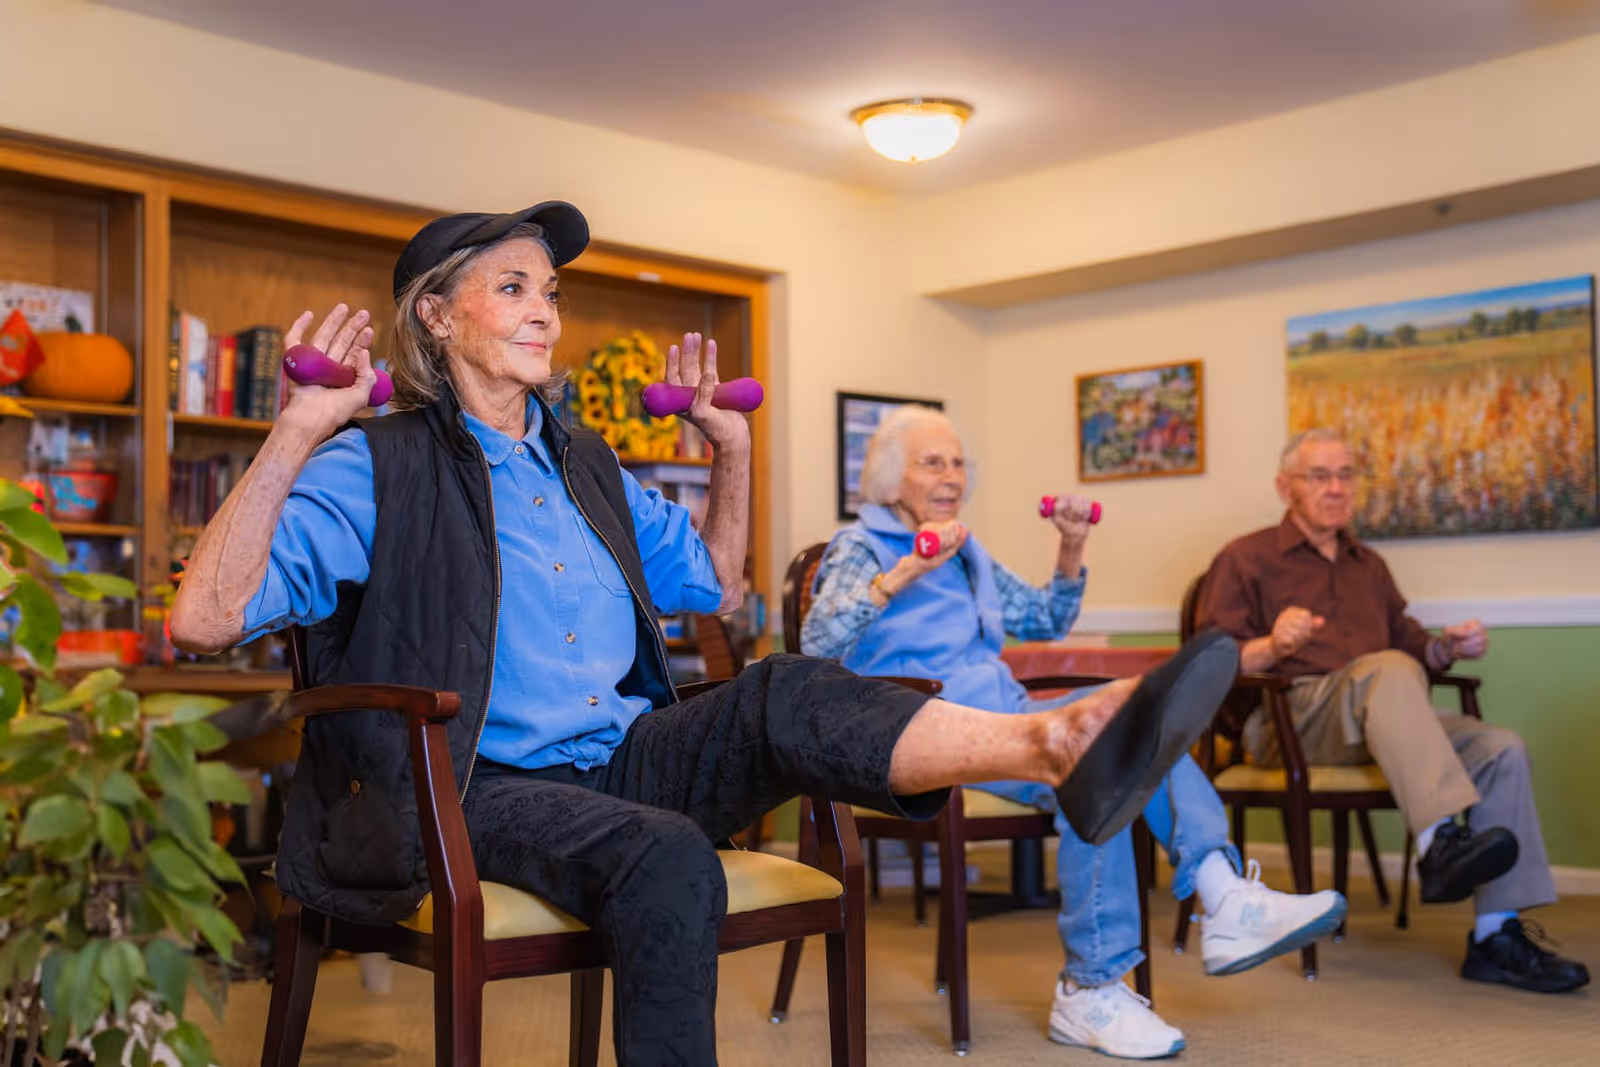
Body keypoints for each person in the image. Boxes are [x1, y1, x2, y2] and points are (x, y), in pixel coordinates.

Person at [167, 201, 1241, 1066]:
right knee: (672, 855)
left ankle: (1053, 744)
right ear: (437, 318)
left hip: (625, 756)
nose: (545, 310)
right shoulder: (377, 462)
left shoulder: (585, 464)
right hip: (470, 780)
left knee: (786, 683)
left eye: (551, 291)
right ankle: (1062, 741)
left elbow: (717, 586)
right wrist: (298, 432)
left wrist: (729, 449)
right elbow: (202, 616)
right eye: (513, 287)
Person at [804, 406, 1346, 1060]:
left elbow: (1044, 615)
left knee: (1131, 715)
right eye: (933, 462)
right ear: (891, 479)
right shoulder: (858, 546)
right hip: (915, 734)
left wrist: (1069, 545)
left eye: (958, 463)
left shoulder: (964, 547)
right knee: (1095, 752)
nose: (952, 477)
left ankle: (1220, 890)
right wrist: (903, 575)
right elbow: (818, 640)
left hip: (1003, 719)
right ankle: (1097, 981)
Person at [1197, 427, 1589, 994]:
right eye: (1320, 476)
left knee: (1500, 746)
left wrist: (1445, 648)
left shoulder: (1368, 565)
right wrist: (1273, 647)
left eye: (1346, 474)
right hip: (1291, 719)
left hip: (1379, 718)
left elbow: (1411, 648)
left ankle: (1494, 936)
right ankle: (1438, 844)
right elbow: (1209, 663)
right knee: (1385, 670)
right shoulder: (1245, 558)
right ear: (1286, 488)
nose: (1337, 487)